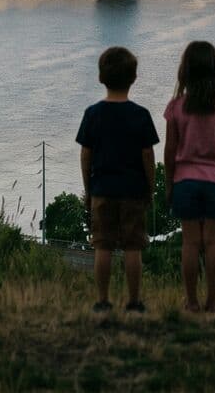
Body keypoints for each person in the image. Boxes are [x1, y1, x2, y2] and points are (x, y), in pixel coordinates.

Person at [75, 45, 159, 313]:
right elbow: (148, 155)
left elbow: (85, 155)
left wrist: (89, 188)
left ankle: (102, 301)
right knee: (133, 247)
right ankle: (134, 302)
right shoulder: (141, 115)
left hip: (102, 189)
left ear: (101, 77)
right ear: (134, 77)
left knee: (102, 246)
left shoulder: (92, 114)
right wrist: (150, 187)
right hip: (133, 191)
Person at [163, 40, 215, 313]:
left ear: (185, 72)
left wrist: (169, 183)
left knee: (191, 242)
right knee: (213, 242)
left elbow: (169, 150)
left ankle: (192, 301)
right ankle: (212, 302)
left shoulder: (176, 107)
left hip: (185, 181)